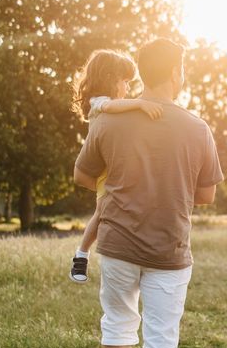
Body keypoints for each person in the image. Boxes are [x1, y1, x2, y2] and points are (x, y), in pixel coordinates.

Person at [74, 38, 223, 348]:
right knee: (161, 338)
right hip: (169, 249)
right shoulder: (197, 127)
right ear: (177, 73)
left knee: (117, 323)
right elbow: (207, 195)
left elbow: (83, 176)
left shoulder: (107, 119)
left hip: (118, 242)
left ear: (141, 71)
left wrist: (120, 181)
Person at [69, 50, 164, 283]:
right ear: (110, 78)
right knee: (102, 211)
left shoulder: (114, 104)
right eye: (124, 82)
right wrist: (141, 103)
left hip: (111, 167)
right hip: (103, 169)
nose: (126, 88)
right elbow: (113, 108)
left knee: (106, 210)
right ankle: (81, 255)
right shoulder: (99, 103)